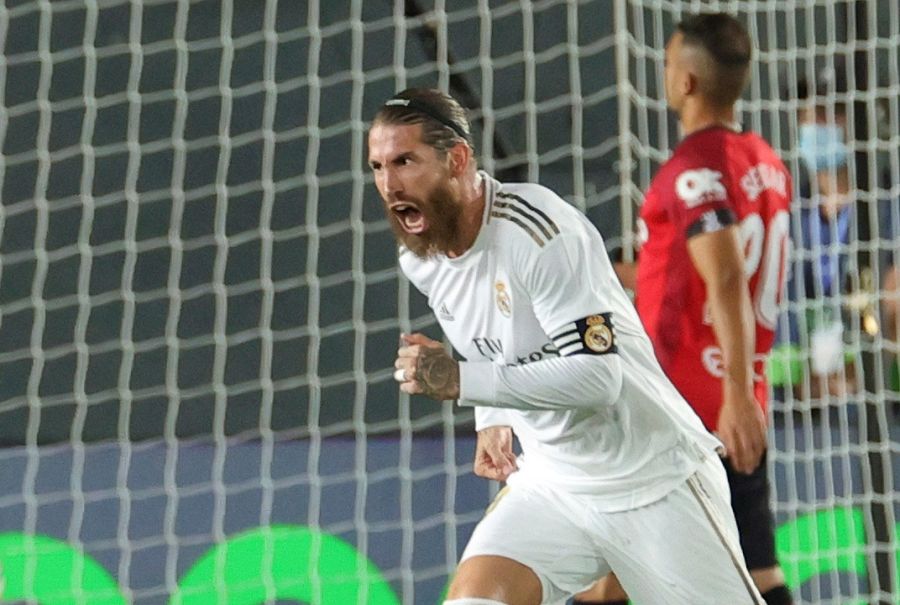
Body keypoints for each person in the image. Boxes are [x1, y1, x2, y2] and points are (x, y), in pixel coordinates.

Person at [369, 87, 765, 605]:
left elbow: (598, 378)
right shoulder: (420, 256)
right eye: (377, 166)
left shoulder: (537, 231)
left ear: (457, 159)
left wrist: (463, 380)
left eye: (404, 161)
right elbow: (486, 327)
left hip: (652, 478)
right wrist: (490, 417)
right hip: (554, 485)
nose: (389, 184)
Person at [571, 13, 794, 605]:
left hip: (681, 404)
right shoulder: (766, 163)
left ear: (689, 82)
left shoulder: (694, 171)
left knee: (610, 574)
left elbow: (724, 278)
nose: (665, 74)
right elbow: (685, 277)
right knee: (758, 572)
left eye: (670, 64)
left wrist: (735, 396)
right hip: (732, 393)